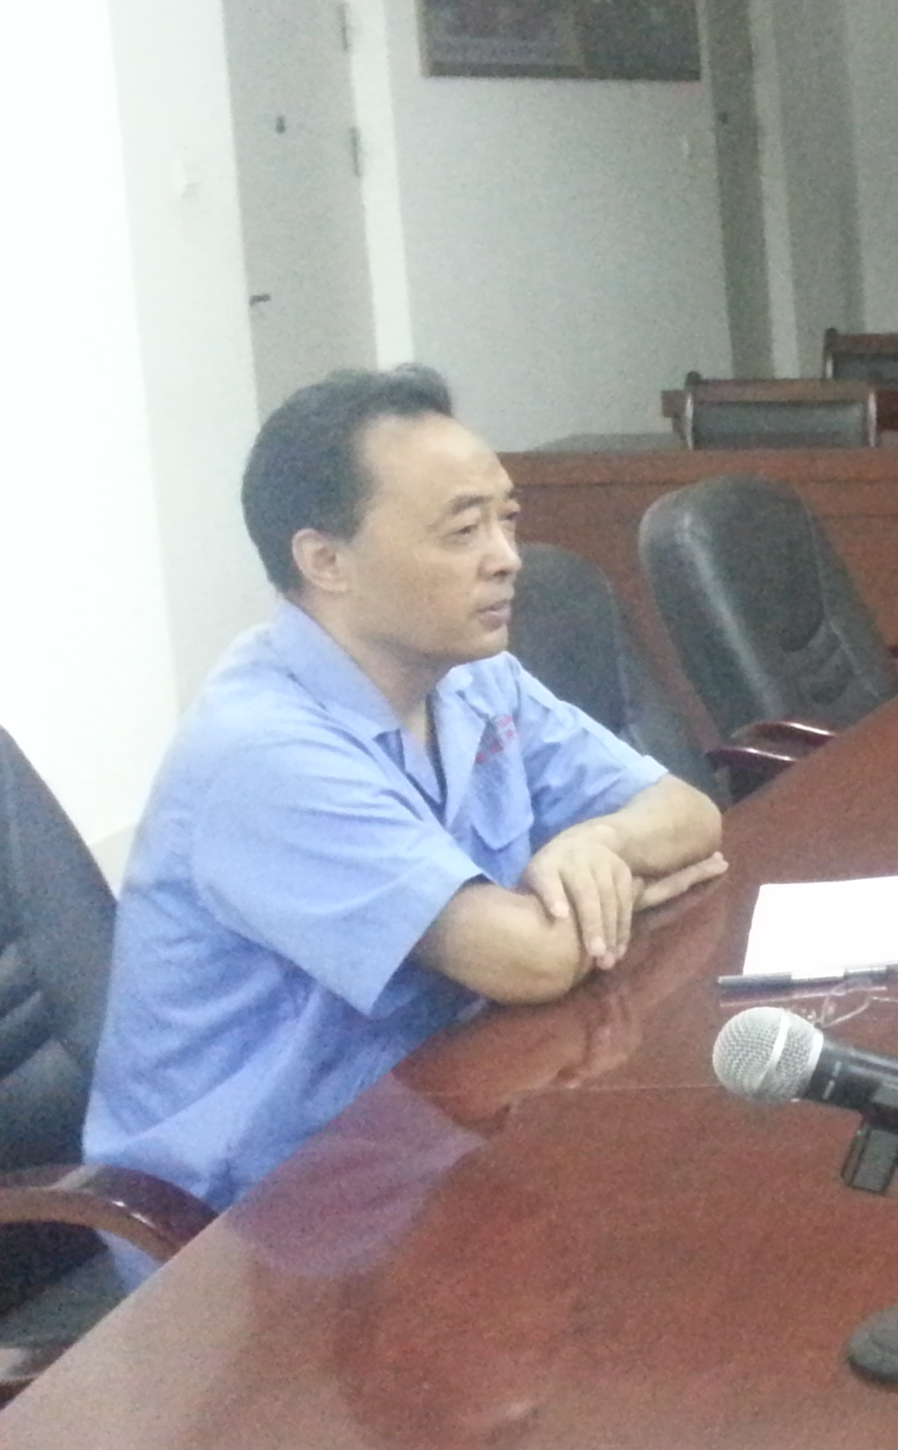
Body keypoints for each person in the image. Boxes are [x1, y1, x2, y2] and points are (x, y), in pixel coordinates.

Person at [86, 366, 726, 1231]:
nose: (506, 557)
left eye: (507, 519)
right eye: (463, 530)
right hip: (262, 1218)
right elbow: (529, 961)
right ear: (326, 561)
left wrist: (599, 847)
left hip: (435, 1121)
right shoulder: (266, 753)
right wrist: (632, 884)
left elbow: (687, 815)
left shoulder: (476, 679)